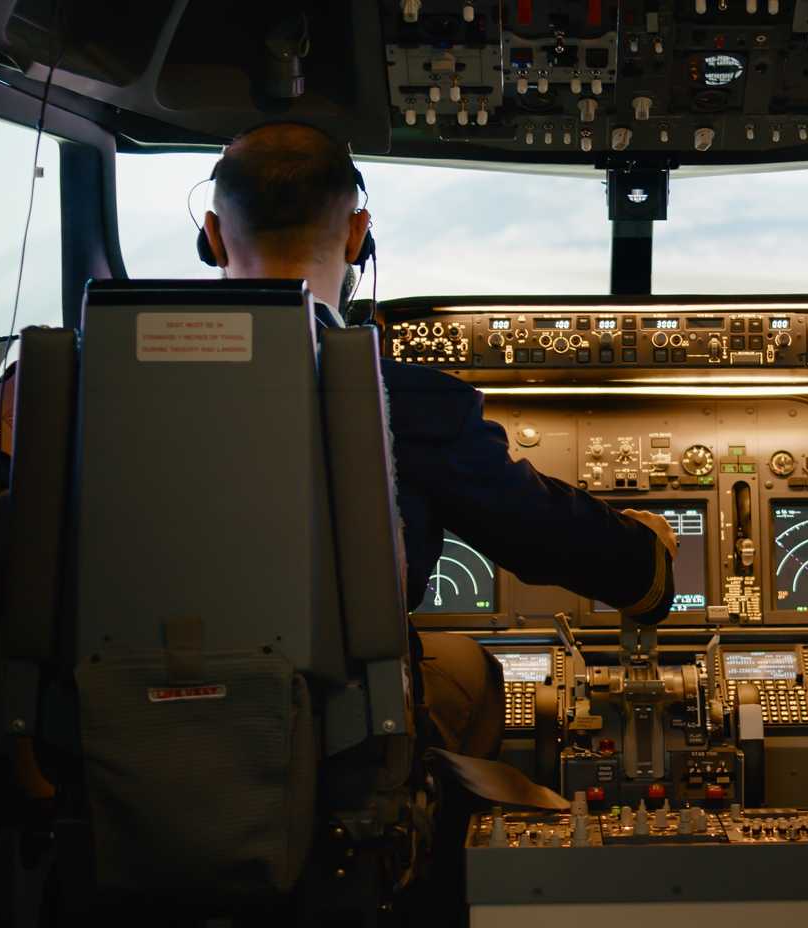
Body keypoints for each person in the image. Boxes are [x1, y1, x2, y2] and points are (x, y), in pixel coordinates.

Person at [197, 121, 680, 758]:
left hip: (125, 729)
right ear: (356, 234)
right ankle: (424, 845)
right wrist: (646, 560)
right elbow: (537, 532)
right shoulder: (400, 400)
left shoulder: (89, 387)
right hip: (332, 742)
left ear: (211, 236)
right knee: (470, 668)